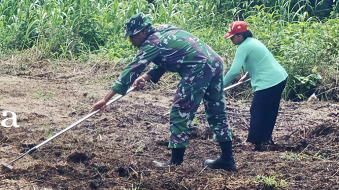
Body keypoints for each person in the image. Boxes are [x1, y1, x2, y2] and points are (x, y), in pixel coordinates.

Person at [91, 13, 236, 170]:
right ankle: (227, 159)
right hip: (214, 62)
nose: (131, 41)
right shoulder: (163, 29)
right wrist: (146, 77)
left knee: (180, 111)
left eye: (132, 36)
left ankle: (175, 163)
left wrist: (105, 100)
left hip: (198, 68)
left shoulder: (151, 43)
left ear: (141, 32)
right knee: (216, 110)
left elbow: (130, 71)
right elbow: (168, 58)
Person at [222, 21, 288, 151]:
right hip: (280, 78)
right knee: (269, 110)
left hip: (268, 82)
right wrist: (247, 75)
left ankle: (252, 141)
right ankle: (265, 138)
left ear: (241, 36)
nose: (231, 39)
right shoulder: (253, 42)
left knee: (257, 110)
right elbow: (259, 60)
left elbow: (234, 71)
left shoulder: (243, 47)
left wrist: (220, 86)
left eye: (232, 36)